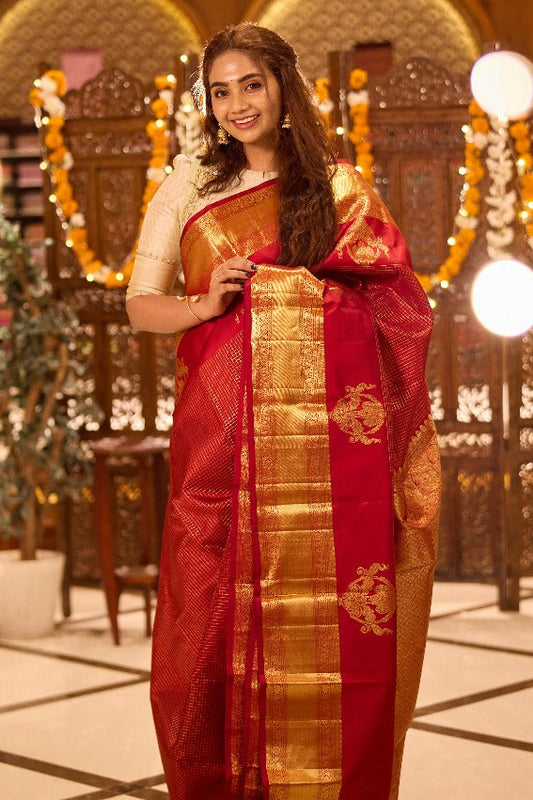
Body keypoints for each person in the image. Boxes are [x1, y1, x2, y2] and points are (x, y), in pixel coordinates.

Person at [126, 22, 441, 800]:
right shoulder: (188, 188)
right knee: (202, 626)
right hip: (217, 445)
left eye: (251, 85)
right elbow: (141, 306)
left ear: (282, 88)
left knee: (333, 628)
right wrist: (205, 303)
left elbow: (397, 303)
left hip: (329, 472)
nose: (236, 104)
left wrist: (283, 294)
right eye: (220, 90)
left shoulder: (335, 186)